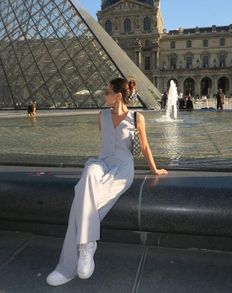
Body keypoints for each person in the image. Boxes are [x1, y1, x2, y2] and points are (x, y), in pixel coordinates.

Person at [46, 77, 168, 287]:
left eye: (107, 92)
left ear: (118, 95)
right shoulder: (101, 116)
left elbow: (145, 147)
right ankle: (88, 244)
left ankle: (68, 266)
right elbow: (106, 144)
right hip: (101, 163)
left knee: (81, 202)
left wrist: (154, 169)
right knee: (89, 172)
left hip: (122, 168)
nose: (104, 95)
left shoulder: (137, 117)